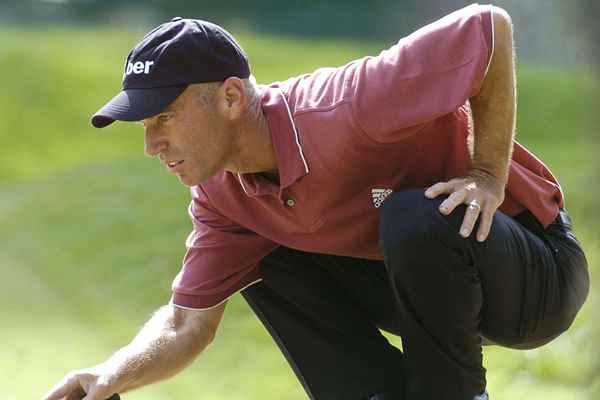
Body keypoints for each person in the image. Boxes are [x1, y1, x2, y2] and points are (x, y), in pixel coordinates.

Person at [44, 4, 589, 400]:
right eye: (144, 124)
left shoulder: (350, 106)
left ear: (232, 97)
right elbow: (186, 324)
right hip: (424, 290)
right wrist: (109, 375)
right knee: (262, 258)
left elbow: (488, 26)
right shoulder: (221, 196)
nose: (151, 144)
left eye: (164, 117)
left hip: (531, 272)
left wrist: (488, 174)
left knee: (411, 215)